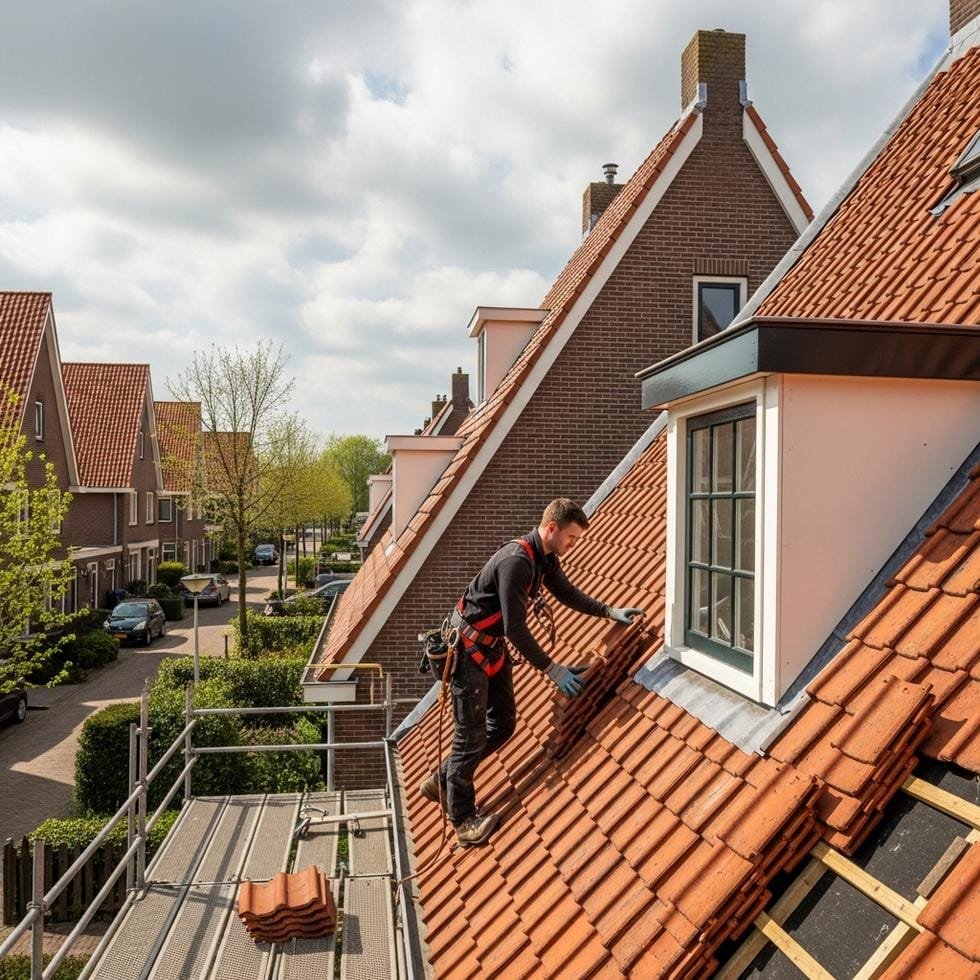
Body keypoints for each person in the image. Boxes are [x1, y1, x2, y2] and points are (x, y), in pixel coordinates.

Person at [419, 497, 644, 847]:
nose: (573, 545)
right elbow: (516, 630)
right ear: (551, 528)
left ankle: (442, 778)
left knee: (505, 723)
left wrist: (609, 611)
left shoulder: (545, 559)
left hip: (488, 649)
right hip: (467, 653)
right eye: (571, 538)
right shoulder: (517, 562)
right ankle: (463, 821)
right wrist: (552, 670)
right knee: (470, 734)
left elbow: (567, 593)